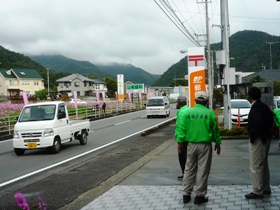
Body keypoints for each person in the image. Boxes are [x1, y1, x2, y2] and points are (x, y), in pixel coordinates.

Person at [179, 91, 221, 205]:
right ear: (206, 101)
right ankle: (199, 196)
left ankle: (186, 195)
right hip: (205, 145)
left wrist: (179, 142)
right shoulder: (209, 113)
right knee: (202, 170)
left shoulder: (188, 112)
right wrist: (218, 142)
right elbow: (215, 130)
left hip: (191, 144)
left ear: (195, 100)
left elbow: (181, 128)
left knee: (189, 169)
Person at [245, 86, 274, 199]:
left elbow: (257, 121)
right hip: (266, 138)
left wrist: (253, 134)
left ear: (249, 96)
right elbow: (270, 120)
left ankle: (257, 190)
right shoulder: (264, 106)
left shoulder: (256, 107)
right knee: (263, 164)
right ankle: (265, 187)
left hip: (258, 140)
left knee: (256, 165)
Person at [174, 95, 189, 180]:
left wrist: (179, 141)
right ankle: (187, 174)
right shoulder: (189, 110)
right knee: (188, 157)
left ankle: (185, 174)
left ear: (179, 103)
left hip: (183, 139)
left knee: (183, 157)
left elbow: (180, 127)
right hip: (190, 138)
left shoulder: (181, 112)